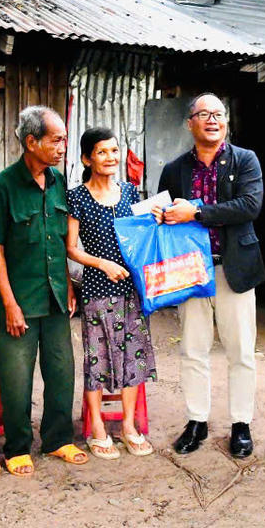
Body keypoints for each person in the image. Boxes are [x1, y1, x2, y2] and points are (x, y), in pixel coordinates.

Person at [155, 93, 265, 458]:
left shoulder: (245, 160)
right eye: (204, 114)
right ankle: (196, 421)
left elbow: (250, 206)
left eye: (218, 113)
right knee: (193, 349)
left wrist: (196, 214)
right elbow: (164, 214)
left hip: (233, 267)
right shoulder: (174, 169)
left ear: (226, 121)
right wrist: (163, 214)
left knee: (241, 351)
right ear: (190, 123)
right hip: (190, 271)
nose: (212, 120)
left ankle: (241, 424)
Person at [0, 106, 88, 475]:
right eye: (56, 139)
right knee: (16, 379)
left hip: (56, 298)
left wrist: (70, 286)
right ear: (31, 142)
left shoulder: (59, 183)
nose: (62, 146)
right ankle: (17, 448)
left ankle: (58, 440)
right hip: (18, 302)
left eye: (63, 139)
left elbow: (59, 240)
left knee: (61, 371)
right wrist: (9, 303)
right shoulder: (3, 186)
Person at [65, 127, 157, 460]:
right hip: (98, 288)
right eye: (101, 152)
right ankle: (98, 429)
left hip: (132, 289)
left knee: (134, 356)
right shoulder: (77, 197)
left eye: (114, 151)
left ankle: (130, 427)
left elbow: (144, 236)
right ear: (87, 158)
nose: (110, 158)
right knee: (98, 358)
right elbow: (71, 248)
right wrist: (102, 264)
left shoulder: (132, 193)